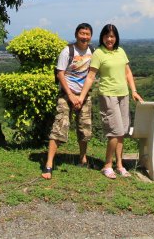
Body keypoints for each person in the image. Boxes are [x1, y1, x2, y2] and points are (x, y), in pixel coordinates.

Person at [79, 23, 143, 179]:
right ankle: (107, 165)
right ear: (102, 37)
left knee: (122, 132)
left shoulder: (121, 51)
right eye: (107, 36)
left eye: (112, 36)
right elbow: (91, 76)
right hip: (108, 95)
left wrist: (134, 90)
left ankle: (119, 165)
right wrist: (81, 96)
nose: (109, 39)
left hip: (124, 95)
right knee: (115, 132)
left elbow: (128, 72)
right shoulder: (99, 54)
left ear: (116, 38)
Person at [41, 23, 95, 179]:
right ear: (76, 34)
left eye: (87, 34)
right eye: (82, 33)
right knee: (59, 126)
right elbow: (60, 74)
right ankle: (49, 164)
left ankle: (82, 158)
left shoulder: (93, 51)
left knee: (84, 128)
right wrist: (71, 95)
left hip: (84, 95)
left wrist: (81, 96)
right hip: (67, 94)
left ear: (91, 36)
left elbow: (91, 75)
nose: (84, 36)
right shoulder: (67, 51)